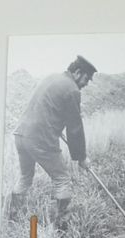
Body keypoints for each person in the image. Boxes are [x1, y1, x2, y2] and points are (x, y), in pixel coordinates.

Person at [10, 55, 96, 217]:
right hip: (40, 139)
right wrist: (82, 157)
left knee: (25, 177)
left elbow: (46, 107)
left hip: (20, 135)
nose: (86, 84)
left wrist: (55, 124)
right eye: (87, 78)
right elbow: (75, 128)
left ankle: (13, 213)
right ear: (77, 72)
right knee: (62, 178)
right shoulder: (72, 89)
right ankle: (61, 222)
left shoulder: (51, 77)